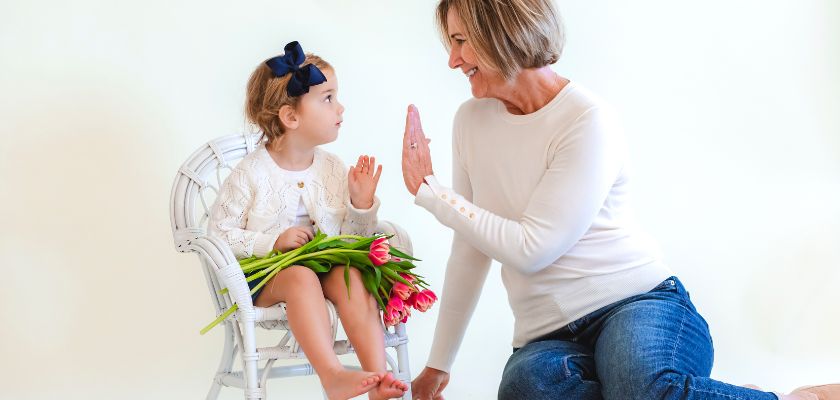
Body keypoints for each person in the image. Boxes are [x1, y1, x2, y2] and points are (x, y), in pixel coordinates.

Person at [400, 1, 840, 399]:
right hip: (547, 337)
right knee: (524, 389)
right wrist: (439, 364)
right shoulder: (470, 121)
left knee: (641, 387)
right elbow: (472, 246)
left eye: (460, 42)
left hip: (638, 302)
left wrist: (432, 191)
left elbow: (532, 248)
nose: (453, 60)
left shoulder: (586, 120)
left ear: (502, 33)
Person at [208, 41, 408, 400]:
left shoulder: (331, 168)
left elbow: (349, 241)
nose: (340, 107)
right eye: (328, 98)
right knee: (299, 277)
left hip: (324, 267)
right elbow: (218, 233)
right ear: (291, 117)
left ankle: (378, 378)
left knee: (352, 275)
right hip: (268, 275)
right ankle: (332, 375)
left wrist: (361, 205)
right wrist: (272, 242)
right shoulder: (251, 173)